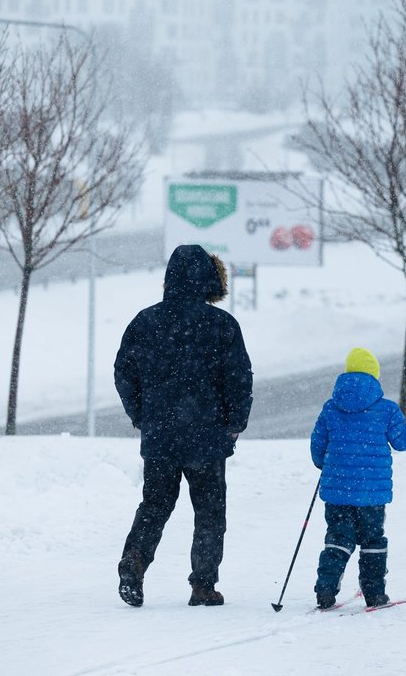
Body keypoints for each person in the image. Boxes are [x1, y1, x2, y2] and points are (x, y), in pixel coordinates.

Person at [113, 244, 254, 608]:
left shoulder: (144, 321)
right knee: (209, 511)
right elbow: (239, 378)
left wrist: (141, 414)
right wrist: (235, 421)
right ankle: (203, 586)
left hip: (160, 435)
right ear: (209, 278)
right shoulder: (222, 325)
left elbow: (123, 372)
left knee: (155, 504)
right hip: (207, 437)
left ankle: (135, 560)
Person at [311, 347, 406, 609]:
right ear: (374, 376)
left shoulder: (331, 408)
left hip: (338, 492)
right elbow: (401, 441)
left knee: (338, 539)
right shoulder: (386, 409)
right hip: (371, 495)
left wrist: (327, 466)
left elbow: (318, 445)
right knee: (372, 541)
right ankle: (375, 593)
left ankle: (325, 590)